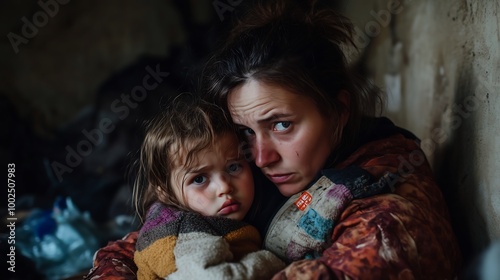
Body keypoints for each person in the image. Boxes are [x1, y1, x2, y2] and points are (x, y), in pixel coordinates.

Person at [84, 1, 462, 279]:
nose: (260, 157)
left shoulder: (386, 213)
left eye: (281, 125)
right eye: (246, 132)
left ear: (339, 111)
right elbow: (132, 247)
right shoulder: (251, 178)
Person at [132, 96, 285, 279]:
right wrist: (274, 262)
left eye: (233, 167)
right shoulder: (180, 231)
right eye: (199, 179)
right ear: (165, 192)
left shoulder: (215, 220)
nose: (224, 188)